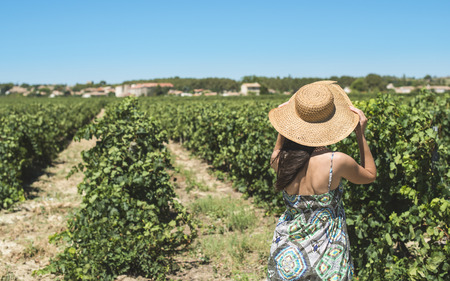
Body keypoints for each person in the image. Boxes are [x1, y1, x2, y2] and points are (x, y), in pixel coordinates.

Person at [266, 81, 376, 280]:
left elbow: (278, 148)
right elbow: (370, 174)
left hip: (289, 251)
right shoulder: (337, 161)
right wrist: (360, 133)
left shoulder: (279, 160)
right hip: (327, 254)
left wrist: (284, 125)